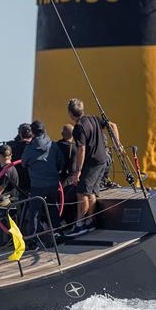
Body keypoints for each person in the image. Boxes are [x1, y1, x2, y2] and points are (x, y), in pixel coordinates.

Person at [64, 98, 121, 237]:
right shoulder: (93, 118)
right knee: (92, 193)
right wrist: (117, 144)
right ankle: (90, 222)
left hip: (92, 162)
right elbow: (112, 125)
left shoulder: (78, 129)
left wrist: (77, 171)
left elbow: (81, 150)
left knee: (81, 192)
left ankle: (80, 224)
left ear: (71, 114)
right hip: (102, 160)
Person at [21, 121, 64, 251]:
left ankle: (32, 241)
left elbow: (23, 163)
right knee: (53, 207)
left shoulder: (29, 148)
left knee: (34, 212)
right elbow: (61, 162)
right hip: (52, 183)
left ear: (32, 132)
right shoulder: (53, 145)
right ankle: (57, 233)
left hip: (37, 185)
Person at [8, 123, 33, 194]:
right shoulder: (36, 148)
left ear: (19, 134)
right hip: (32, 183)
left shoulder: (11, 147)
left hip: (16, 183)